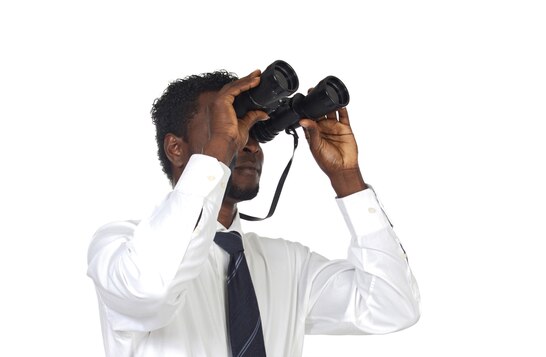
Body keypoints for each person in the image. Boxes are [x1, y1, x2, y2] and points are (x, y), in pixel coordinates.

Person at [86, 66, 420, 357]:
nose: (247, 144)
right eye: (227, 127)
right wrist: (219, 150)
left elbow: (392, 306)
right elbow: (151, 288)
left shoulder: (288, 264)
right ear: (176, 148)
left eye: (251, 130)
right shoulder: (121, 246)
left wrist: (347, 179)